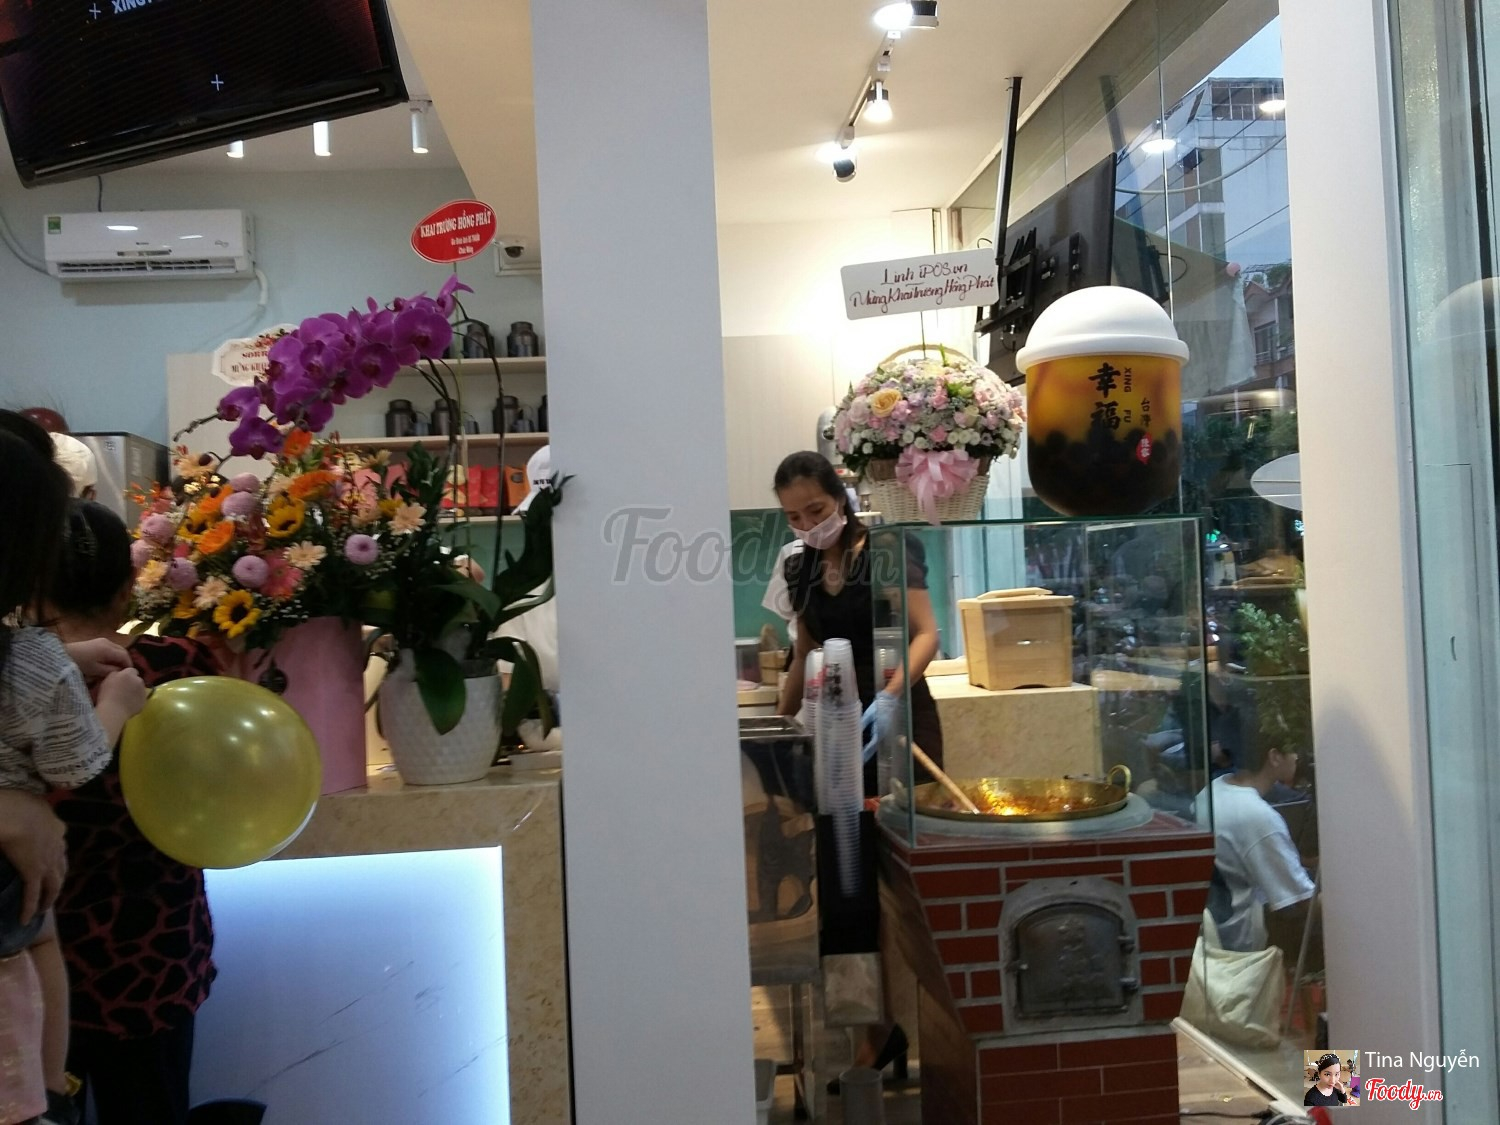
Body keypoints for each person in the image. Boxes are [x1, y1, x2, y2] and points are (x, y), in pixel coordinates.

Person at [44, 501, 221, 1125]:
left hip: (42, 961)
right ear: (128, 589)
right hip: (154, 958)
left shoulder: (17, 688)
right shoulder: (183, 667)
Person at [771, 451, 942, 1085]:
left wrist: (892, 696)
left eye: (815, 509)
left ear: (840, 496)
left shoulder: (890, 550)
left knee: (911, 882)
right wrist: (778, 723)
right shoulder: (801, 567)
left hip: (900, 729)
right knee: (848, 888)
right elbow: (805, 651)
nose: (806, 524)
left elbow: (926, 633)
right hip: (837, 739)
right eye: (793, 517)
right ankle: (876, 1030)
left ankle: (944, 1029)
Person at [0, 413, 146, 1125]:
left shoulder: (32, 655)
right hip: (14, 886)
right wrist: (114, 705)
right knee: (35, 949)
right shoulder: (31, 660)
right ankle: (48, 1098)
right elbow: (78, 762)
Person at [1193, 738, 1317, 956]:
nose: (1297, 757)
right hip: (1243, 941)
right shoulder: (1259, 817)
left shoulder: (1214, 788)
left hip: (1216, 920)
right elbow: (1303, 901)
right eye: (1292, 751)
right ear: (1274, 757)